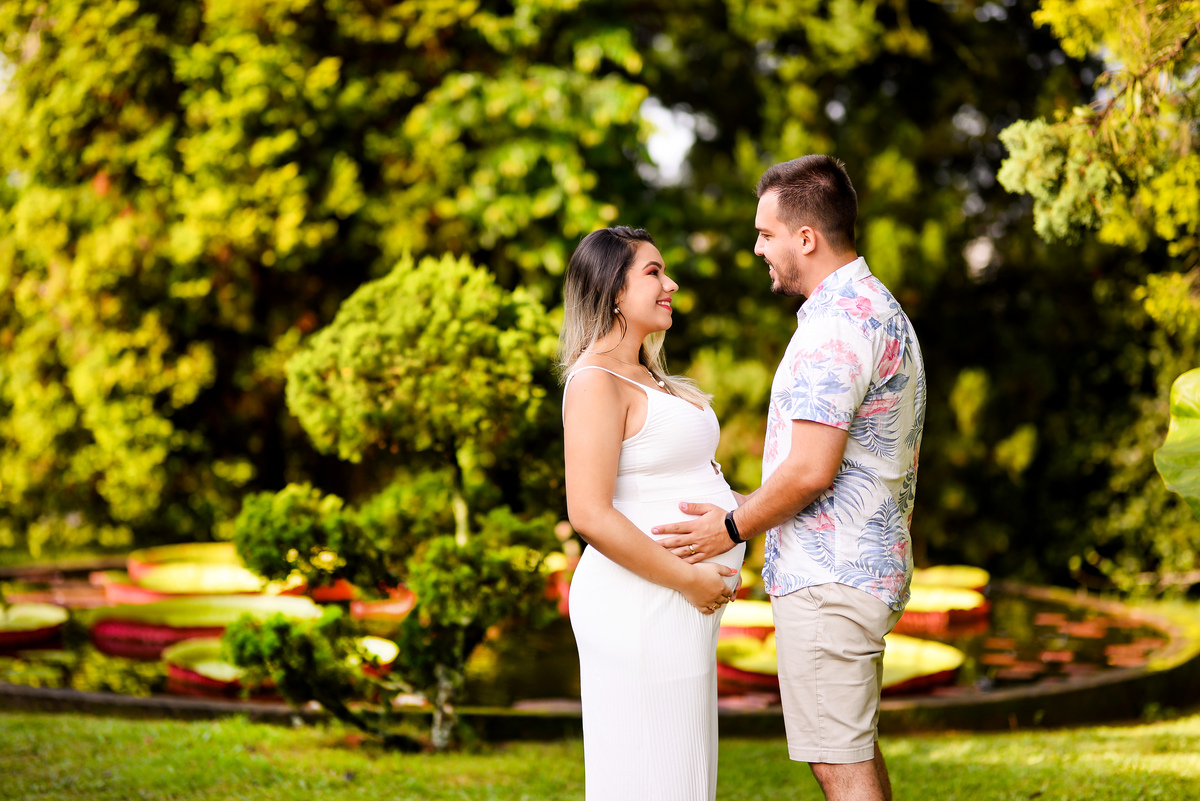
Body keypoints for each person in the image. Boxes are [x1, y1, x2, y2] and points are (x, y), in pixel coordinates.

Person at [652, 155, 926, 801]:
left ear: (806, 237)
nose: (757, 248)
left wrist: (730, 526)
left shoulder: (836, 325)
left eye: (765, 233)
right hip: (857, 568)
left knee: (839, 763)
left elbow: (810, 470)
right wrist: (751, 499)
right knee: (850, 748)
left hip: (831, 579)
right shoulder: (872, 307)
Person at [559, 226, 746, 801]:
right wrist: (689, 579)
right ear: (614, 290)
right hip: (640, 602)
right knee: (652, 771)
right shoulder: (595, 380)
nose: (671, 284)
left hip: (673, 602)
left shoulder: (646, 375)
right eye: (654, 272)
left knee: (680, 768)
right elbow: (588, 513)